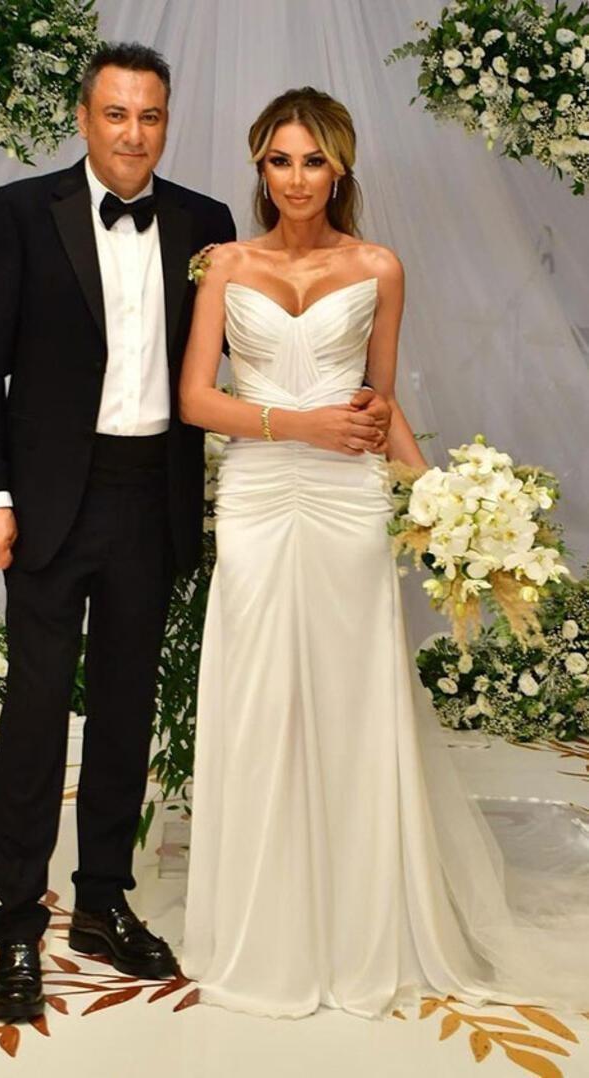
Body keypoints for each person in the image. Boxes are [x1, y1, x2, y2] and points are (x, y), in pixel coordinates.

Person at [178, 87, 589, 1020]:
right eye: (280, 160)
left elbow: (379, 398)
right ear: (260, 167)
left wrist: (445, 509)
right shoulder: (225, 264)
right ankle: (262, 924)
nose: (296, 179)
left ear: (341, 168)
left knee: (352, 696)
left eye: (313, 161)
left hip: (347, 500)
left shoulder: (379, 266)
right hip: (258, 496)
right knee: (257, 695)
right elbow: (197, 399)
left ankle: (361, 924)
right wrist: (301, 425)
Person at [0, 42, 244, 1021]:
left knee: (125, 708)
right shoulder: (20, 211)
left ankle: (101, 901)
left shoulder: (205, 223)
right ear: (84, 119)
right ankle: (17, 923)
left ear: (166, 122)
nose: (133, 133)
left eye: (149, 116)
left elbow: (230, 358)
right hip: (46, 501)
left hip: (151, 493)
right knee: (36, 712)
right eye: (115, 114)